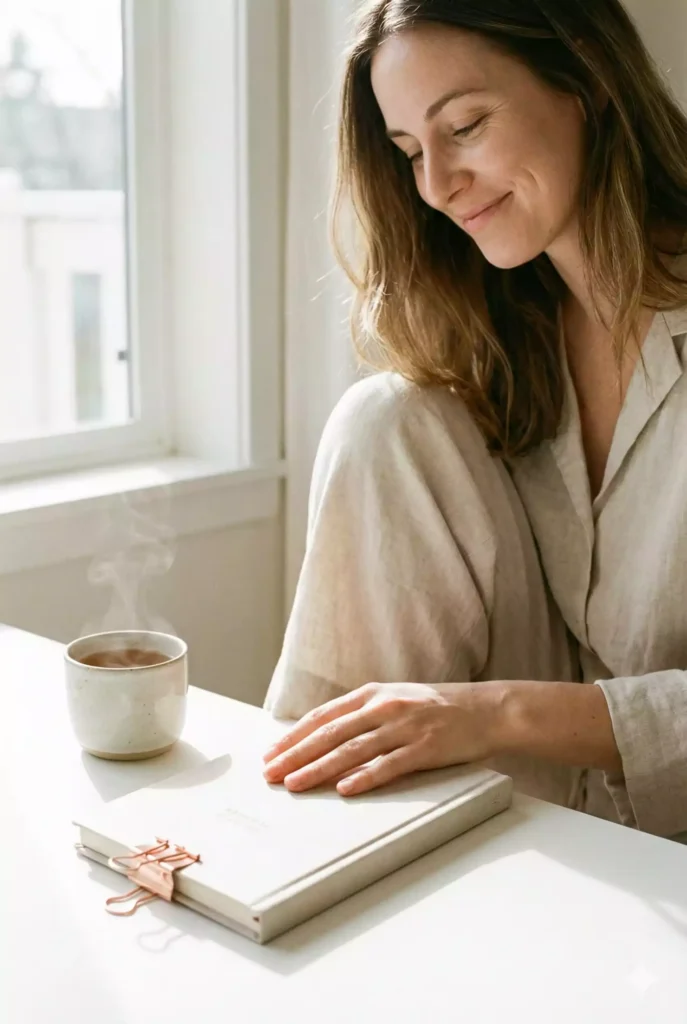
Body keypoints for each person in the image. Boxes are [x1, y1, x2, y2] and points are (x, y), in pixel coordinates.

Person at [262, 0, 687, 840]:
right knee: (385, 416)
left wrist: (489, 714)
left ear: (586, 83)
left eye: (464, 126)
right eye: (410, 152)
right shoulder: (512, 342)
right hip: (564, 799)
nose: (434, 186)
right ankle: (298, 832)